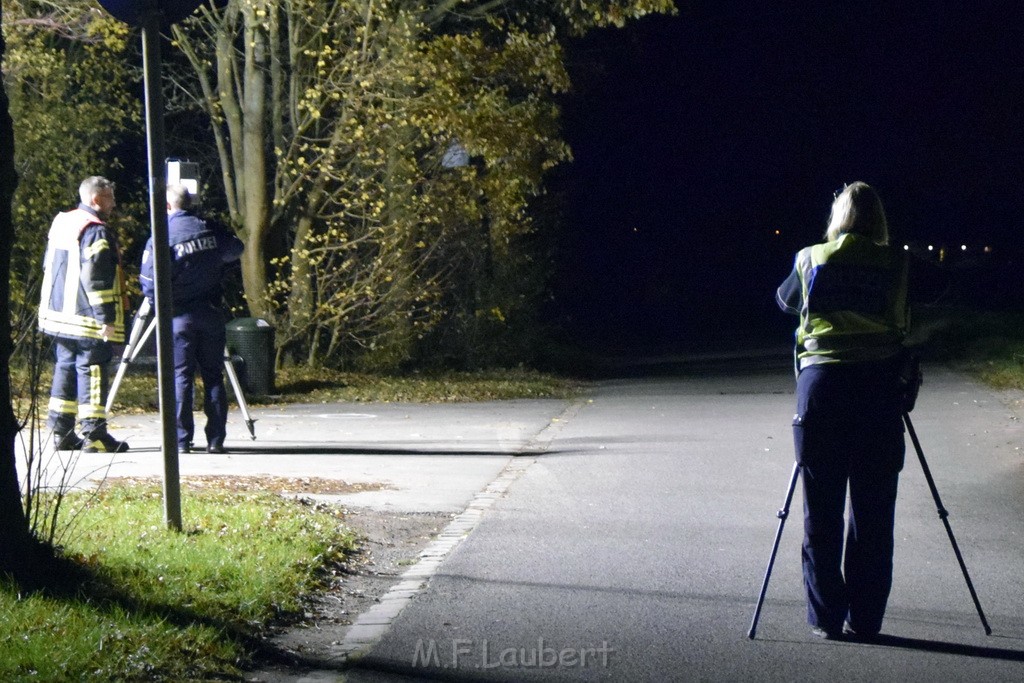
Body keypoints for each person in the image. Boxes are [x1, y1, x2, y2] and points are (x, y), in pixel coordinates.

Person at [775, 181, 910, 641]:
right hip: (878, 391)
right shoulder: (897, 262)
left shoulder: (812, 258)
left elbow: (784, 300)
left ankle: (827, 617)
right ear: (879, 220)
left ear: (838, 217)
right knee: (874, 514)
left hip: (823, 392)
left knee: (822, 508)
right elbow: (938, 286)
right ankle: (867, 619)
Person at [139, 184, 244, 454]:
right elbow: (235, 248)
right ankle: (216, 440)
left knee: (179, 377)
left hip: (178, 316)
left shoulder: (162, 236)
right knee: (214, 376)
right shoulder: (209, 229)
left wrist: (158, 303)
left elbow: (149, 281)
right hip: (210, 313)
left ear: (166, 207)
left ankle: (181, 440)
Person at [38, 176, 129, 453]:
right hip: (88, 320)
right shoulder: (95, 230)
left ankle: (61, 432)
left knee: (64, 369)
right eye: (110, 198)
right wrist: (106, 319)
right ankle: (94, 434)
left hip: (58, 316)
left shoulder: (63, 222)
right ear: (96, 199)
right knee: (92, 371)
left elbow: (48, 266)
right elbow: (97, 278)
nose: (114, 204)